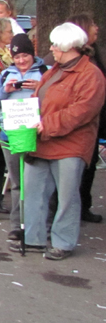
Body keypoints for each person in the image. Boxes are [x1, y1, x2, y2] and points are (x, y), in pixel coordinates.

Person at [22, 23, 105, 259]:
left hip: (70, 144)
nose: (52, 49)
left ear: (70, 47)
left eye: (56, 44)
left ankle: (63, 242)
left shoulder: (91, 75)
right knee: (34, 192)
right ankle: (34, 238)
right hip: (42, 141)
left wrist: (47, 123)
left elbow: (82, 111)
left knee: (67, 197)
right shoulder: (54, 70)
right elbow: (40, 98)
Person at [0, 33, 47, 241]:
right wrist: (6, 90)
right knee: (17, 182)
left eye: (25, 56)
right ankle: (17, 225)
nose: (21, 61)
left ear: (32, 54)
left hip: (38, 136)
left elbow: (56, 100)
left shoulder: (45, 73)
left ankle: (40, 224)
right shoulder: (4, 75)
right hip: (10, 136)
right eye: (17, 57)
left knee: (39, 182)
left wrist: (39, 90)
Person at [68, 13, 106, 223]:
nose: (97, 28)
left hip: (96, 120)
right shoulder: (80, 62)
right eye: (92, 26)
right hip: (81, 122)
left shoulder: (96, 55)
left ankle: (84, 204)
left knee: (89, 166)